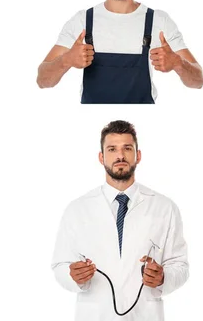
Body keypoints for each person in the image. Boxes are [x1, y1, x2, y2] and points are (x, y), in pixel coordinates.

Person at [36, 0, 203, 103]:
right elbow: (42, 80)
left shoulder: (159, 21)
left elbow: (198, 82)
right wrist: (66, 61)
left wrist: (178, 63)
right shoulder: (82, 21)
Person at [51, 120, 189, 320]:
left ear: (138, 155)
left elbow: (181, 266)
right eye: (112, 149)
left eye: (127, 148)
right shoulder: (77, 209)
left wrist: (163, 278)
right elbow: (60, 266)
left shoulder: (165, 208)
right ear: (101, 157)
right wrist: (73, 277)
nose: (120, 156)